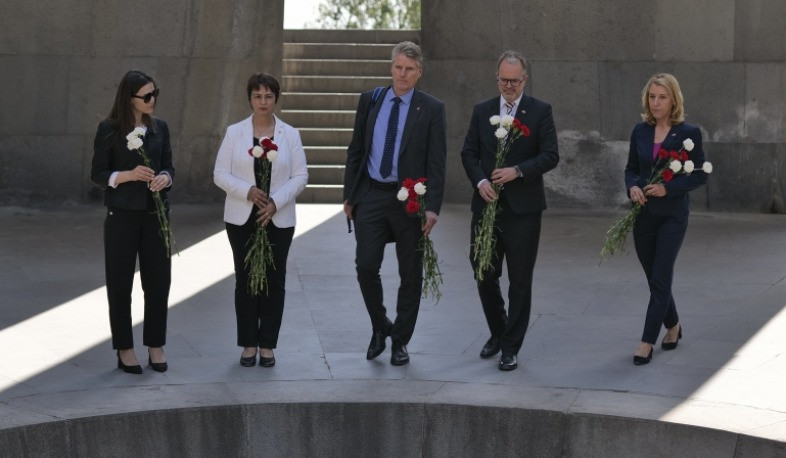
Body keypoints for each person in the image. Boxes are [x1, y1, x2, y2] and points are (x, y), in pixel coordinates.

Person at [343, 41, 447, 366]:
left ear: (419, 73)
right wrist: (350, 194)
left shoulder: (431, 108)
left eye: (410, 70)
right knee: (365, 266)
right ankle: (380, 326)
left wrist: (433, 207)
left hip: (410, 201)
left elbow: (437, 162)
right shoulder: (370, 100)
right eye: (399, 67)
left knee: (410, 273)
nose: (403, 74)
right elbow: (356, 150)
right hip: (372, 195)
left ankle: (400, 341)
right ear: (392, 67)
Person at [460, 51, 559, 371]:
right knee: (483, 271)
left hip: (524, 210)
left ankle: (510, 347)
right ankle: (499, 330)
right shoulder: (482, 110)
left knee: (519, 280)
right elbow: (469, 153)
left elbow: (551, 155)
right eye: (503, 80)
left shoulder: (540, 111)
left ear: (524, 80)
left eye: (514, 81)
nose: (508, 86)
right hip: (486, 205)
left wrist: (518, 170)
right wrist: (479, 182)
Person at [214, 73, 308, 368]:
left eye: (268, 96)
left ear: (275, 99)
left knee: (273, 281)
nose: (263, 102)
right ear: (250, 99)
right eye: (257, 96)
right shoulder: (235, 132)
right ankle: (248, 344)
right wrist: (248, 191)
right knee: (245, 280)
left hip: (278, 219)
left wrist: (276, 202)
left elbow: (301, 176)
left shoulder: (290, 135)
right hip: (242, 218)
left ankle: (267, 344)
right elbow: (220, 174)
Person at [91, 70, 174, 374]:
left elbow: (169, 167)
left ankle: (156, 345)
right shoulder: (109, 130)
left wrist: (165, 177)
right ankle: (124, 348)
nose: (153, 100)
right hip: (122, 216)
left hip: (156, 216)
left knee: (158, 283)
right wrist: (128, 175)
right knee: (120, 283)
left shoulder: (160, 128)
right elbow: (98, 175)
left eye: (155, 94)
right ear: (130, 99)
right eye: (147, 96)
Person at [626, 73, 707, 365]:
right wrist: (633, 186)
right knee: (655, 279)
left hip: (673, 216)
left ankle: (647, 341)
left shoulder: (688, 133)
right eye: (652, 96)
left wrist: (667, 188)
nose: (656, 102)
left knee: (661, 277)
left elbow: (700, 174)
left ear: (673, 99)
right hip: (643, 214)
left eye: (662, 97)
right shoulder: (640, 131)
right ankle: (673, 326)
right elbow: (631, 169)